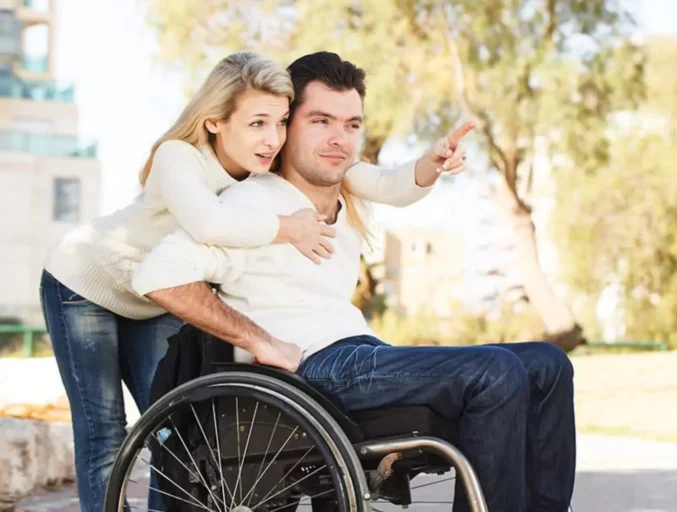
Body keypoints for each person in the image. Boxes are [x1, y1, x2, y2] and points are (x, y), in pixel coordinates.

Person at [133, 51, 575, 512]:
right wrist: (260, 341)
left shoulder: (348, 195)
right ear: (286, 127)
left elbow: (395, 184)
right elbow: (160, 276)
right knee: (495, 372)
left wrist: (431, 164)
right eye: (320, 121)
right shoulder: (253, 204)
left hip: (360, 353)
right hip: (311, 369)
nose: (338, 139)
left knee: (547, 364)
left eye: (351, 125)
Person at [38, 51, 468, 512]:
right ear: (215, 122)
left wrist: (430, 164)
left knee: (170, 431)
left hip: (154, 297)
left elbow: (384, 184)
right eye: (257, 123)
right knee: (103, 430)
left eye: (281, 123)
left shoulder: (267, 164)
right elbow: (207, 222)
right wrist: (289, 228)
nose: (272, 138)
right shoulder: (178, 157)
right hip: (86, 284)